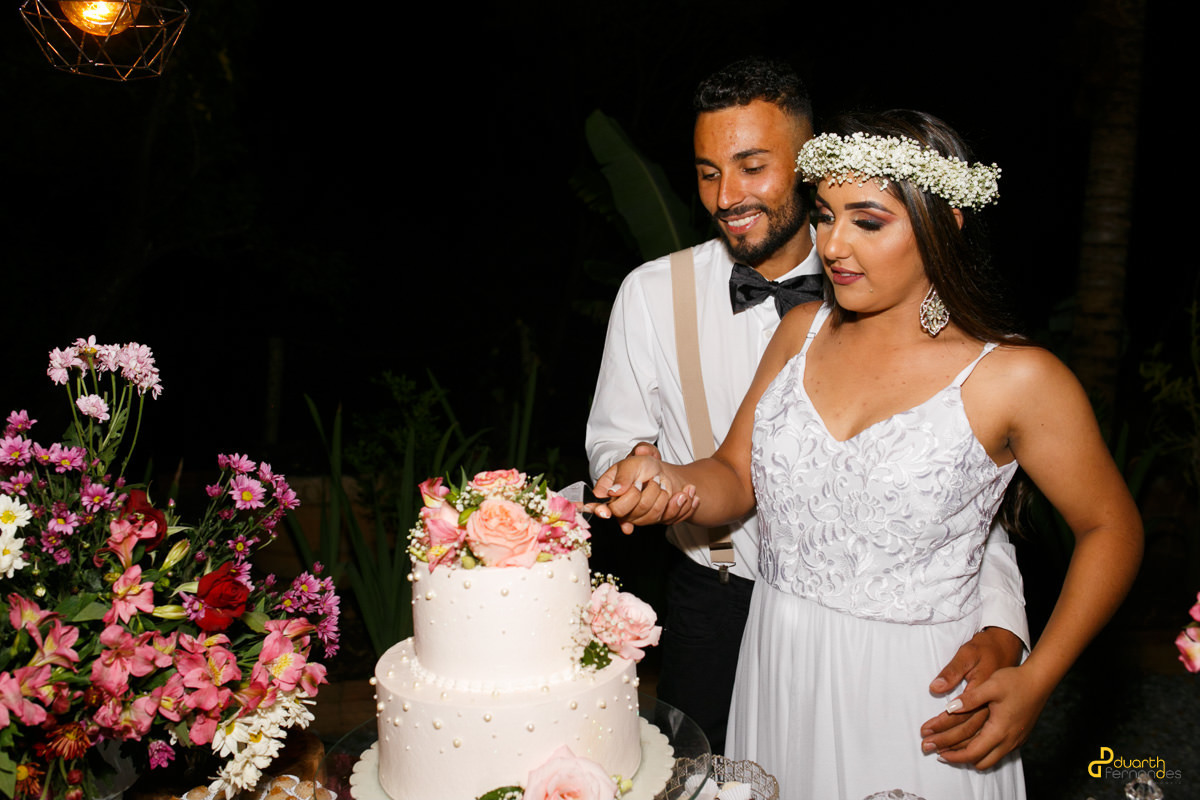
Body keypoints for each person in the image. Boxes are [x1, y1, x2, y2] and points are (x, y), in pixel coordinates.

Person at [591, 109, 1143, 799]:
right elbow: (733, 477)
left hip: (913, 696)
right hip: (779, 662)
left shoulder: (1017, 379)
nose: (834, 245)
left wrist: (1039, 677)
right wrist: (668, 478)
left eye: (868, 221)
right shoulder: (800, 332)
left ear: (946, 222)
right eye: (824, 216)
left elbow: (1111, 528)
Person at [585, 59, 1027, 757]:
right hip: (721, 599)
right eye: (706, 172)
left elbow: (961, 494)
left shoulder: (906, 297)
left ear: (811, 161)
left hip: (899, 633)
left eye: (752, 166)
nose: (726, 195)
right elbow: (620, 443)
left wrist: (1005, 623)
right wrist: (643, 478)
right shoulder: (649, 294)